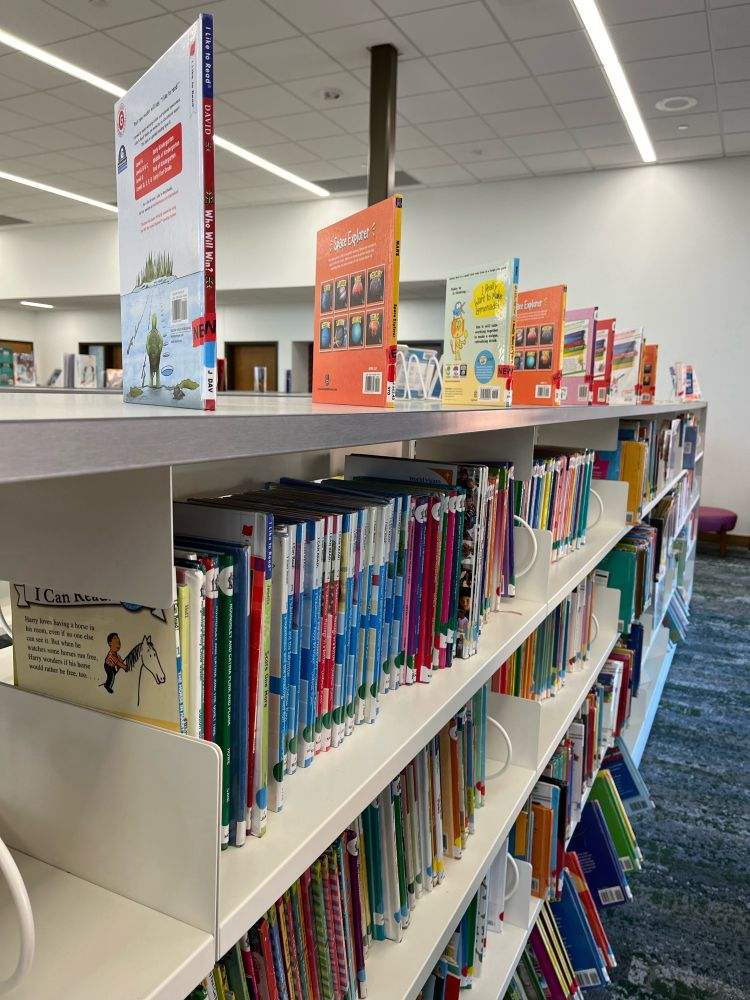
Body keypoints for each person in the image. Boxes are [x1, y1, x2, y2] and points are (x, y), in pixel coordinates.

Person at [146, 314, 163, 388]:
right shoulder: (155, 333)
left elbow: (160, 343)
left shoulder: (153, 333)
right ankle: (153, 383)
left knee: (154, 368)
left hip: (154, 354)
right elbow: (148, 344)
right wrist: (158, 351)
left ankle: (154, 383)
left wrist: (150, 351)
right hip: (154, 353)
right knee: (154, 368)